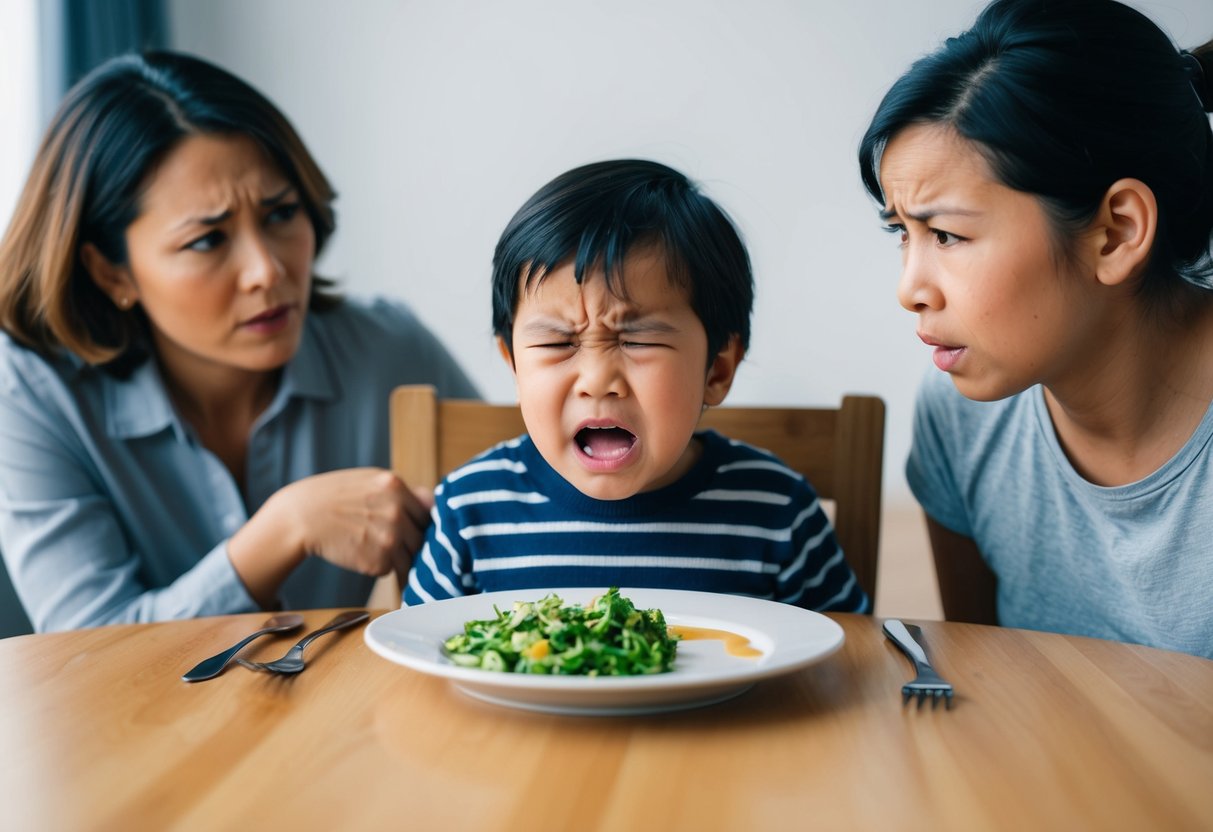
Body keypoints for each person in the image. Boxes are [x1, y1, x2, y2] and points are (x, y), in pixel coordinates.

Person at [0, 51, 478, 631]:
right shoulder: (29, 394)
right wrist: (284, 529)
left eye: (280, 213)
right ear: (111, 272)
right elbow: (86, 650)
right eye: (207, 241)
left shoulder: (391, 349)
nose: (267, 271)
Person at [859, 0, 1213, 656]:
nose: (909, 289)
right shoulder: (960, 417)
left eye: (945, 234)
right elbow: (982, 680)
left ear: (1116, 232)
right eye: (900, 234)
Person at [404, 159, 869, 613]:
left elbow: (852, 660)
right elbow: (413, 673)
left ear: (717, 370)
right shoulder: (470, 512)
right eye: (558, 342)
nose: (597, 380)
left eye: (637, 339)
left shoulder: (777, 512)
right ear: (515, 367)